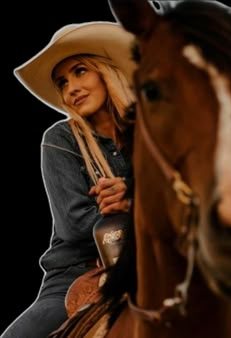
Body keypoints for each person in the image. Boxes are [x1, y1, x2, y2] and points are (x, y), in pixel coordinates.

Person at [1, 21, 136, 338]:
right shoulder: (60, 139)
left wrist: (134, 200)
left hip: (153, 263)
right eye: (62, 82)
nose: (71, 87)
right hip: (76, 273)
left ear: (106, 71)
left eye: (79, 71)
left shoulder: (154, 138)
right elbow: (73, 226)